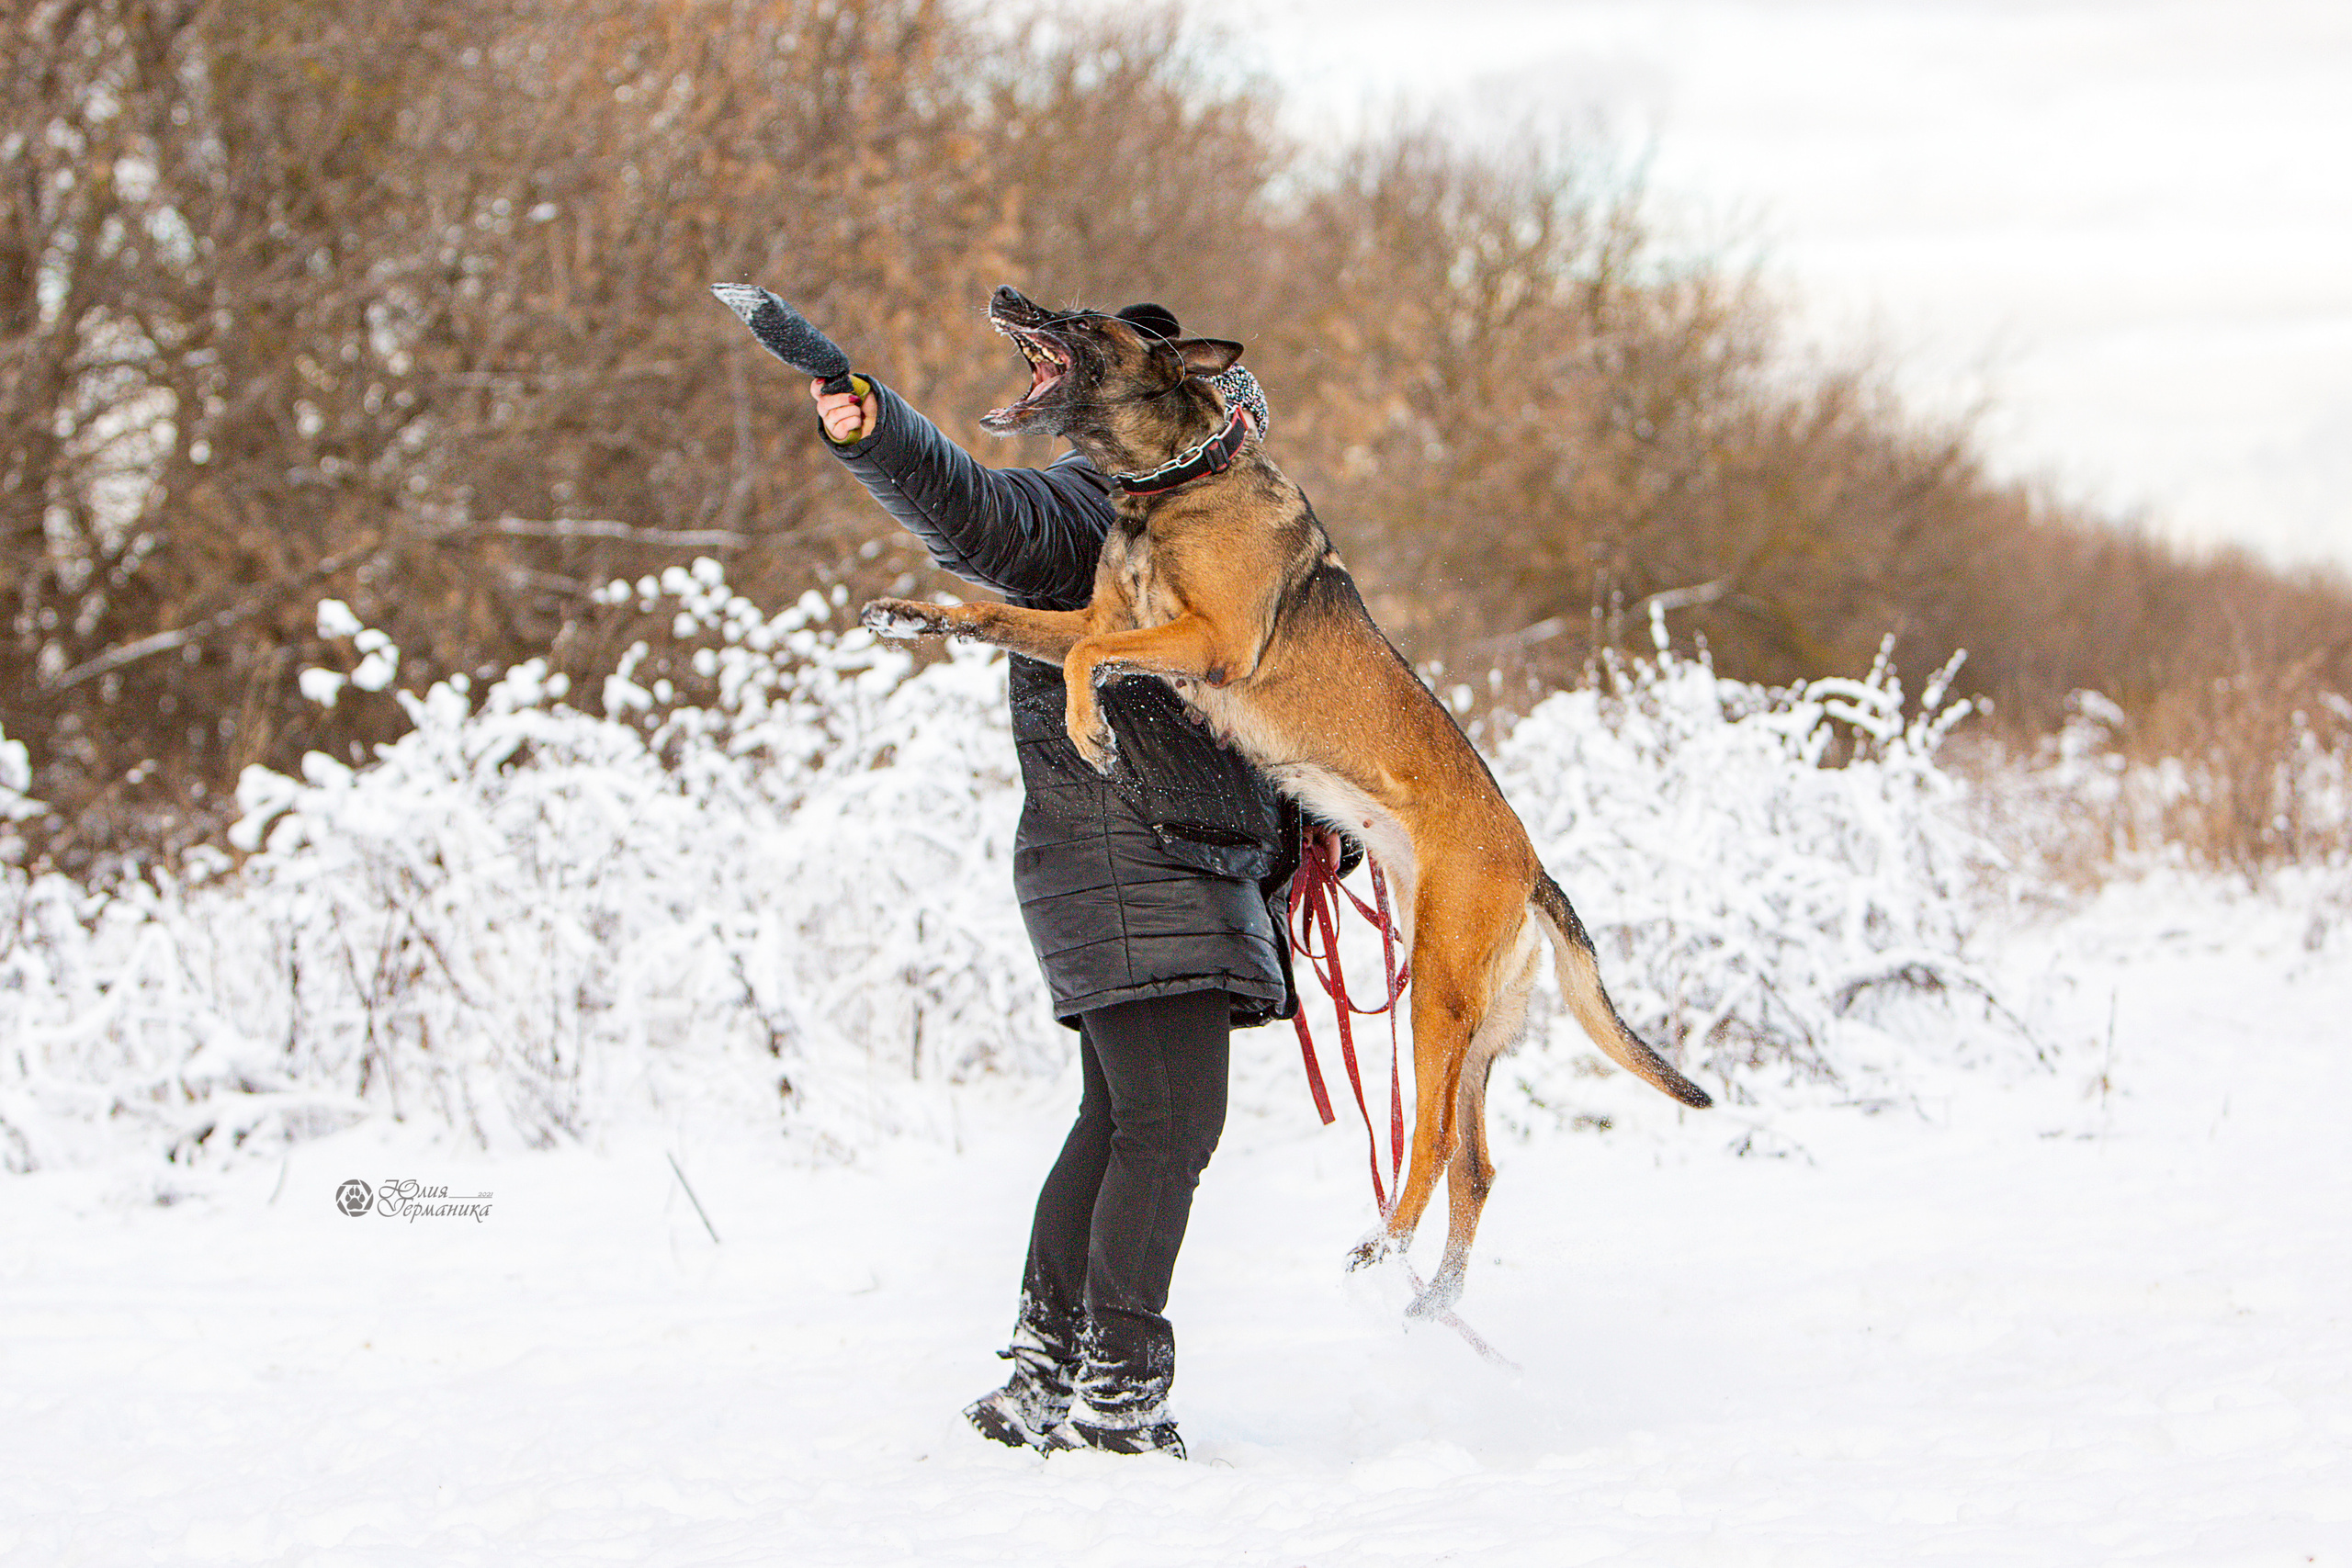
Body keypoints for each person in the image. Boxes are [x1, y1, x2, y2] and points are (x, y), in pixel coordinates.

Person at [810, 302, 1301, 1461]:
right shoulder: (1092, 507)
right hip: (1136, 854)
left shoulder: (1197, 539)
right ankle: (1118, 1398)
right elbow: (981, 514)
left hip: (1147, 857)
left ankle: (1044, 1383)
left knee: (1122, 1122)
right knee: (1167, 1126)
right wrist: (878, 434)